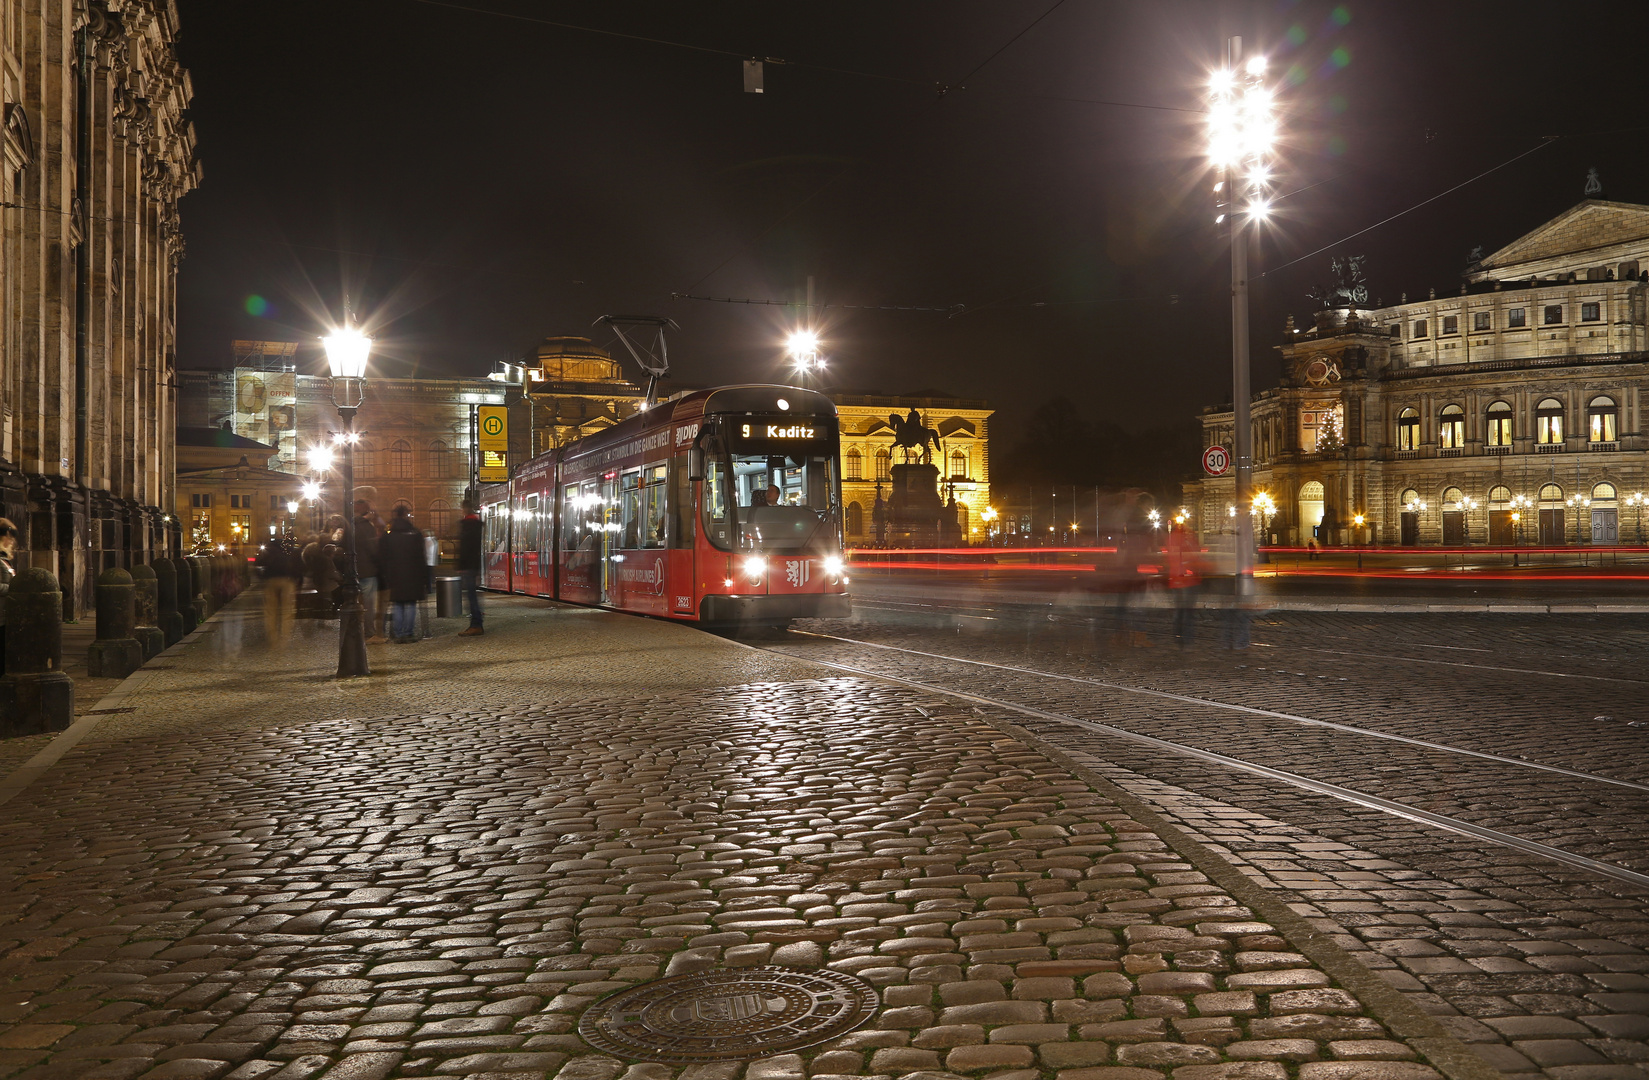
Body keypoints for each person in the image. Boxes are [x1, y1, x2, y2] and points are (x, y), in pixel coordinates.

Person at [379, 504, 428, 643]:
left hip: (394, 575)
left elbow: (383, 556)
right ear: (407, 515)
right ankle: (408, 632)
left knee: (398, 604)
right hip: (413, 575)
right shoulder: (415, 533)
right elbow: (421, 557)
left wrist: (386, 574)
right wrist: (424, 577)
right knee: (411, 604)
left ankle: (399, 633)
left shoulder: (389, 535)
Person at [257, 532, 304, 645]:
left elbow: (257, 566)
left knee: (270, 611)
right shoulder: (287, 553)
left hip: (271, 581)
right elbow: (296, 567)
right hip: (286, 581)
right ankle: (285, 637)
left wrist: (263, 578)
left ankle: (272, 636)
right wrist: (298, 581)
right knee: (287, 610)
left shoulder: (267, 553)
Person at [353, 498, 387, 644]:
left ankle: (355, 632)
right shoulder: (367, 527)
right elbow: (373, 550)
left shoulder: (350, 524)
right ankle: (369, 634)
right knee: (368, 604)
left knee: (355, 603)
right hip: (367, 570)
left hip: (354, 570)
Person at [457, 499, 483, 636]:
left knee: (471, 595)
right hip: (474, 564)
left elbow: (465, 548)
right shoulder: (477, 524)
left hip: (468, 565)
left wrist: (461, 565)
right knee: (472, 594)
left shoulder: (467, 525)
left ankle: (476, 624)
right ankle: (476, 622)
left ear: (465, 509)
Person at [0, 518, 16, 674]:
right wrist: (13, 588)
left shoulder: (4, 560)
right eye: (8, 536)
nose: (11, 541)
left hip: (6, 615)